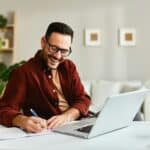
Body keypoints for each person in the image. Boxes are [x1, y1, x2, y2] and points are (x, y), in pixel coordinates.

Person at [0, 22, 91, 133]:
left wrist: (67, 116)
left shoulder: (69, 67)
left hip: (78, 124)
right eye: (53, 48)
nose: (57, 56)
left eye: (63, 51)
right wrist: (22, 120)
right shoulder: (23, 73)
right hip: (51, 133)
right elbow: (4, 109)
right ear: (43, 42)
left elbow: (83, 99)